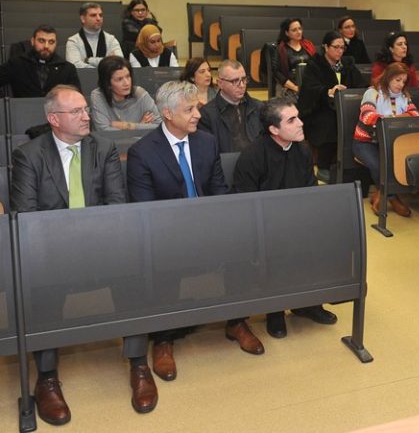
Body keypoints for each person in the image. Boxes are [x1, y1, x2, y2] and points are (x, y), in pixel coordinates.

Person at [11, 85, 158, 424]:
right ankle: (47, 377)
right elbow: (27, 217)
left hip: (101, 244)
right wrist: (67, 246)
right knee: (41, 286)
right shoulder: (29, 155)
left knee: (133, 275)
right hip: (53, 251)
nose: (85, 115)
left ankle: (138, 364)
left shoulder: (102, 148)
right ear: (53, 119)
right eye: (76, 111)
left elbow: (116, 205)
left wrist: (95, 243)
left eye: (85, 109)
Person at [127, 81, 264, 383]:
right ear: (167, 114)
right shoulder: (142, 152)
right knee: (163, 261)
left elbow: (217, 190)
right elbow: (144, 211)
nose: (198, 115)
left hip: (207, 226)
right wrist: (183, 233)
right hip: (167, 234)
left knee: (242, 248)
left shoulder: (205, 142)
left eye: (197, 108)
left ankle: (236, 320)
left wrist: (222, 228)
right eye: (189, 110)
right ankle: (163, 338)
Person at [231, 97, 339, 338]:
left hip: (296, 220)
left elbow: (310, 189)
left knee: (323, 239)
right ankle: (275, 311)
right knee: (278, 249)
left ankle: (308, 304)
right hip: (263, 226)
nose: (301, 123)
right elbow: (244, 204)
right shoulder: (252, 156)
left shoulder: (302, 149)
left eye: (298, 117)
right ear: (274, 129)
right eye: (292, 120)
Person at [352, 62, 419, 217]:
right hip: (366, 142)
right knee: (379, 166)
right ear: (388, 78)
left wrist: (390, 119)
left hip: (390, 143)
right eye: (397, 80)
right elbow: (368, 116)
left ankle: (380, 195)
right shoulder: (373, 93)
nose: (401, 85)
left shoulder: (404, 96)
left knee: (401, 162)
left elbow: (415, 115)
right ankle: (393, 198)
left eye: (404, 81)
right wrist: (398, 119)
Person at [298, 31, 366, 182]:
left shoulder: (348, 64)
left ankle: (350, 165)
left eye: (342, 48)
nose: (340, 51)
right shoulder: (315, 64)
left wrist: (347, 92)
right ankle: (324, 166)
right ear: (326, 47)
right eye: (336, 47)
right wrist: (328, 91)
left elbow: (361, 85)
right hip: (320, 107)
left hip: (345, 108)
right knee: (328, 122)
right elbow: (309, 89)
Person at [199, 59, 264, 153]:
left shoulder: (258, 107)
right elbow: (208, 152)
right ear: (220, 83)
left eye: (244, 79)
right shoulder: (206, 115)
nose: (242, 85)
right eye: (235, 81)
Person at [0, 24, 80, 97]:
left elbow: (77, 97)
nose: (46, 46)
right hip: (23, 107)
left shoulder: (67, 68)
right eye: (41, 41)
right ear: (32, 41)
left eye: (51, 42)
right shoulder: (17, 63)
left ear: (56, 44)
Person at [90, 56, 161, 131]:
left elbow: (161, 126)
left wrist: (129, 126)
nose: (127, 83)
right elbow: (104, 131)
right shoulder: (98, 96)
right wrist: (141, 126)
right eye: (119, 79)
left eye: (128, 76)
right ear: (107, 83)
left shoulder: (140, 94)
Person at [65, 2, 123, 68]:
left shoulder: (111, 40)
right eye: (93, 15)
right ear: (83, 19)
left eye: (100, 15)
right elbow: (74, 65)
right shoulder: (73, 41)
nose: (98, 18)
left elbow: (119, 63)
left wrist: (88, 60)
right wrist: (106, 63)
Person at [273, 17, 316, 99]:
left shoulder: (309, 45)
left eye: (300, 28)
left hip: (308, 84)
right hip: (289, 86)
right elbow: (277, 73)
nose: (299, 32)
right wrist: (295, 88)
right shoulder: (280, 49)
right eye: (294, 30)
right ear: (287, 33)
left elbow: (316, 66)